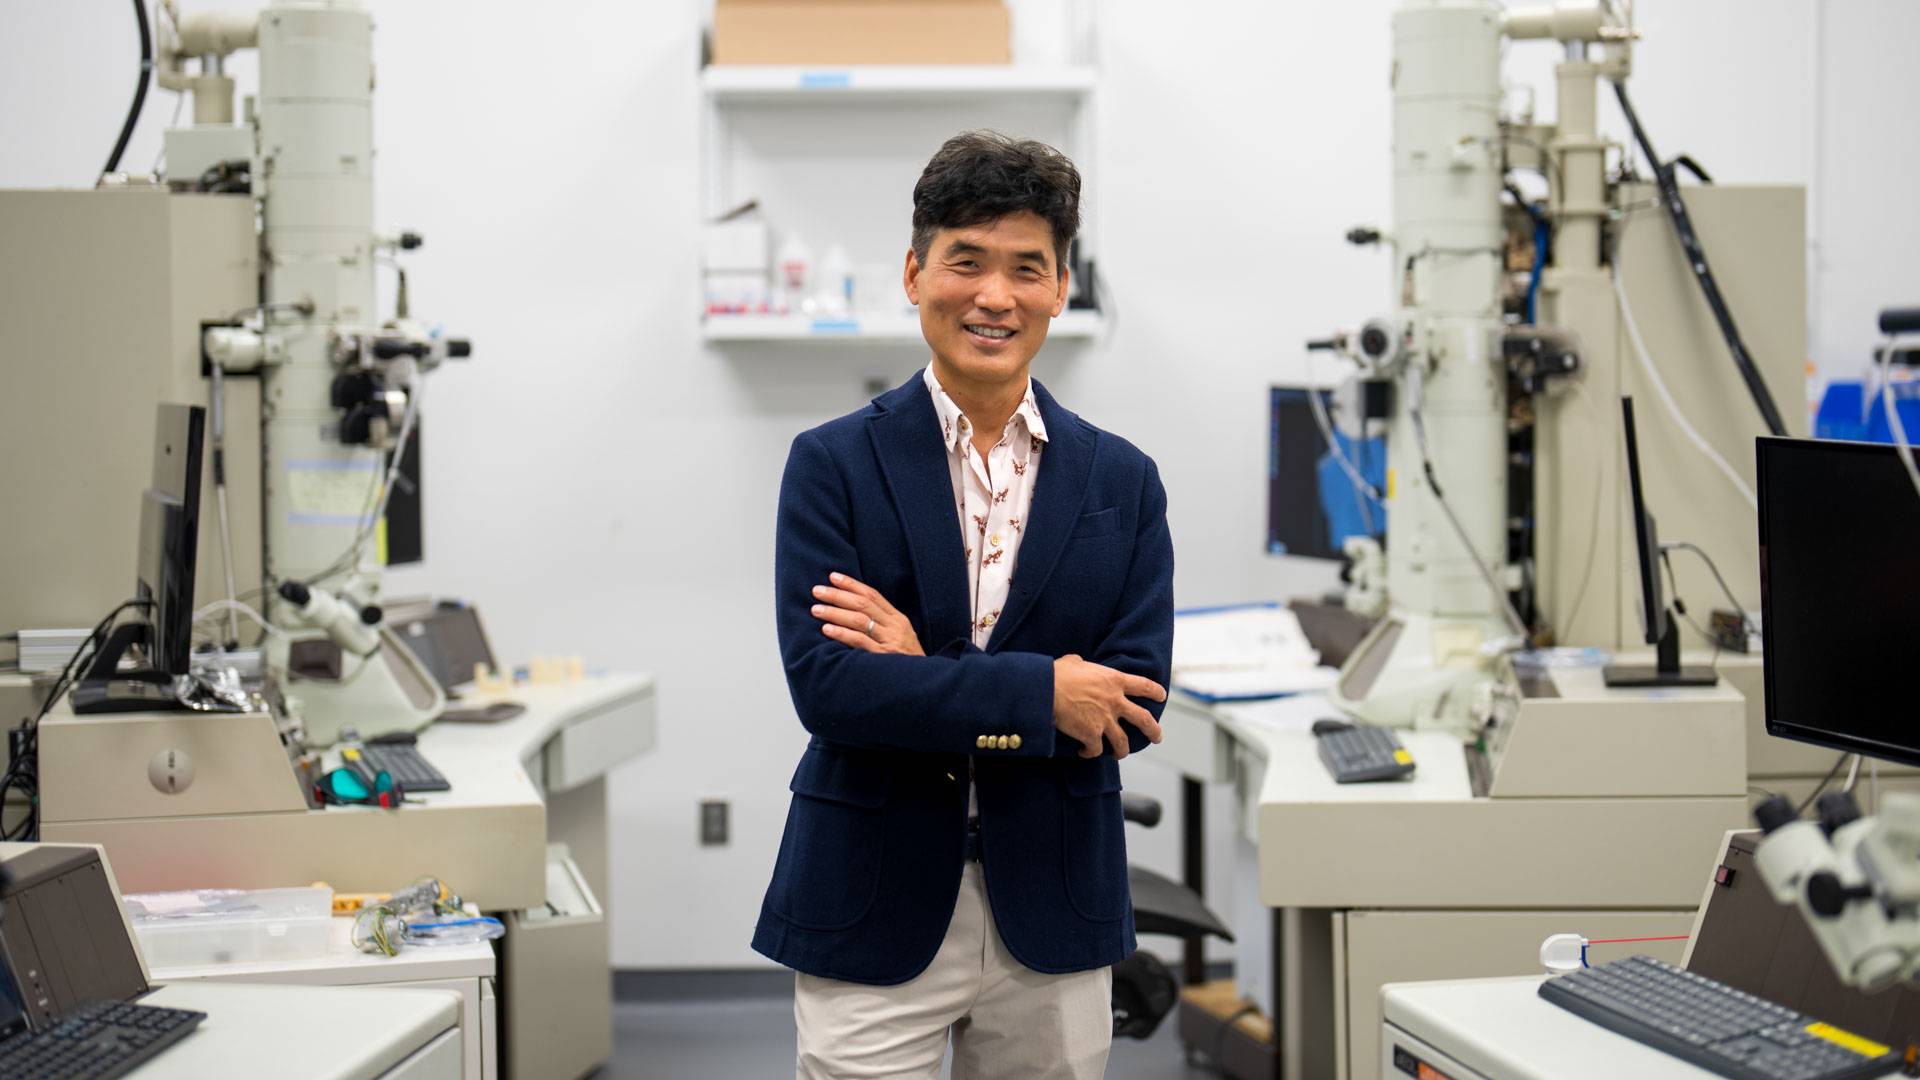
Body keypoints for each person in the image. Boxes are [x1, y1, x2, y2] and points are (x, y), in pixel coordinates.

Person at [753, 130, 1176, 1080]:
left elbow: (1131, 708)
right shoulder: (833, 466)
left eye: (1028, 268)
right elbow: (832, 692)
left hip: (1055, 897)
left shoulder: (1123, 481)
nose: (995, 296)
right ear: (914, 273)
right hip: (873, 891)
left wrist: (920, 669)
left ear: (1062, 286)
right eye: (966, 262)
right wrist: (1040, 697)